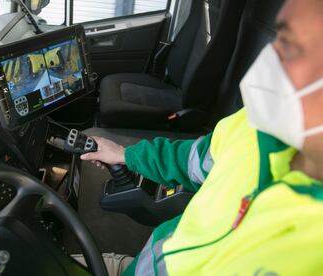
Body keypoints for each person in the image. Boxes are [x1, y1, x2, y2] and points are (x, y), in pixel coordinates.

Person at [79, 0, 323, 274]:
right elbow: (193, 160)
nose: (271, 64)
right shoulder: (253, 127)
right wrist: (125, 154)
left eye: (294, 48)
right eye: (281, 38)